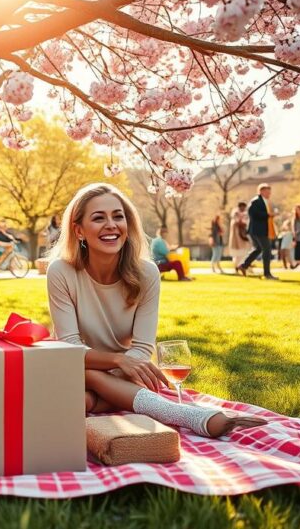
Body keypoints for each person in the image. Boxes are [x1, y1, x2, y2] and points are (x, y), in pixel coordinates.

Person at [46, 183, 265, 438]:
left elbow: (142, 348)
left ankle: (95, 400)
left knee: (85, 394)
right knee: (82, 374)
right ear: (79, 230)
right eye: (98, 218)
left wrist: (123, 367)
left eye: (118, 216)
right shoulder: (61, 272)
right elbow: (70, 348)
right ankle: (186, 415)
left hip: (128, 372)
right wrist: (119, 360)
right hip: (79, 368)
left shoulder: (147, 273)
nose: (111, 225)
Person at [237, 184, 277, 280]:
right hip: (258, 230)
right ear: (261, 191)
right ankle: (267, 274)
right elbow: (252, 214)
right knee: (267, 249)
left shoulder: (263, 201)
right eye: (267, 192)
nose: (269, 194)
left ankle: (243, 266)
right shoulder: (256, 201)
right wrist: (268, 214)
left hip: (261, 229)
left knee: (259, 249)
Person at [228, 202, 250, 272]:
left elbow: (245, 222)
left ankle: (241, 266)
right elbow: (238, 223)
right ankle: (237, 266)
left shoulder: (245, 214)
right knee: (237, 254)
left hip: (243, 236)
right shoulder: (235, 214)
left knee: (244, 253)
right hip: (237, 237)